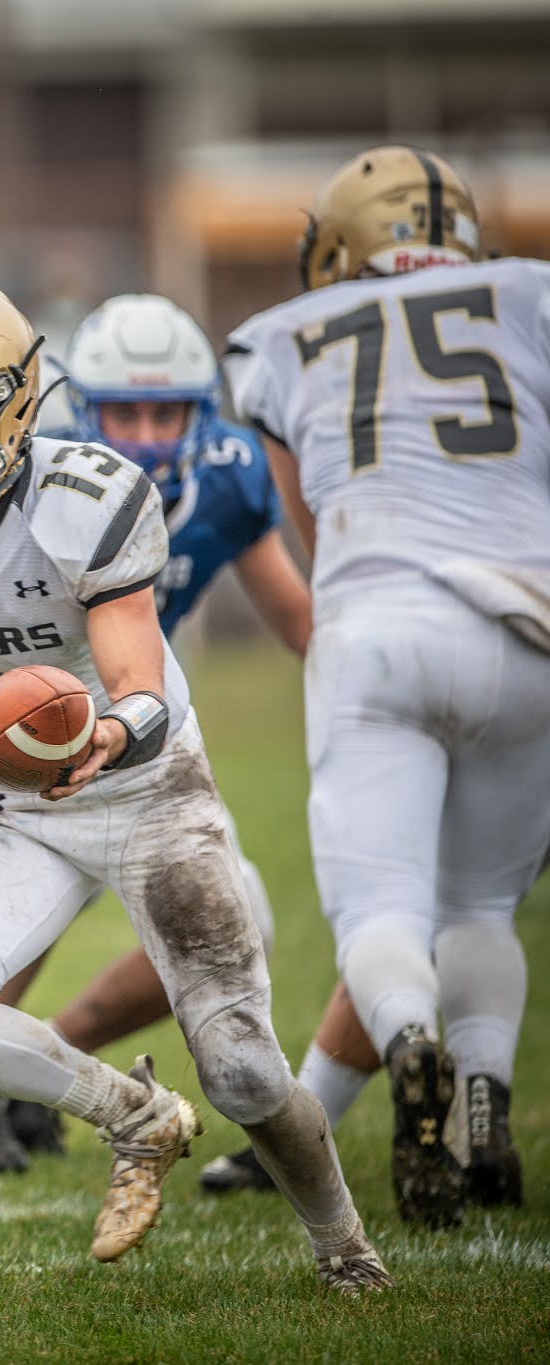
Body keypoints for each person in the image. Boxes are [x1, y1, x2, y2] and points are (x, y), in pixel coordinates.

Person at [0, 273, 388, 1291]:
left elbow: (139, 684)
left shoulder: (83, 500)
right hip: (6, 807)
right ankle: (136, 1119)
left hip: (145, 792)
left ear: (9, 404)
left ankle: (342, 1246)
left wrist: (110, 730)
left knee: (242, 1068)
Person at [224, 145, 550, 1227]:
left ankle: (409, 1045)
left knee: (379, 908)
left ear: (337, 245)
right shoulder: (529, 295)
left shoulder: (277, 338)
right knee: (481, 903)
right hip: (530, 626)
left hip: (376, 624)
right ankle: (482, 1101)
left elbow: (299, 520)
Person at [0, 293, 308, 1171]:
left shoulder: (229, 477)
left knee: (237, 919)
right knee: (26, 900)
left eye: (163, 410)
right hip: (35, 711)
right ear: (77, 410)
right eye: (121, 411)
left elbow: (297, 617)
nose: (140, 433)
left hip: (147, 725)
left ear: (200, 415)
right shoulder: (31, 473)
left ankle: (30, 1056)